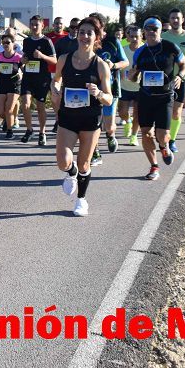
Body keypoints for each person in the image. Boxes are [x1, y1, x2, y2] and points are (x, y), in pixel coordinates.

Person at [51, 16, 113, 216]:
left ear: (96, 38)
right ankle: (71, 172)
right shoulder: (64, 59)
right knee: (63, 161)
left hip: (90, 119)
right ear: (77, 34)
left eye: (89, 33)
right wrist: (55, 88)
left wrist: (99, 94)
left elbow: (109, 99)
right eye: (82, 32)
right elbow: (56, 80)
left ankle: (81, 200)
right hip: (68, 117)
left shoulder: (101, 65)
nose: (85, 36)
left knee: (85, 162)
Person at [128, 17, 185, 181]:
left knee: (162, 135)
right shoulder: (140, 52)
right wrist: (132, 75)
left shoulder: (170, 47)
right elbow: (134, 77)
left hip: (165, 97)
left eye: (155, 28)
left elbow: (184, 65)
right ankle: (154, 166)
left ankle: (164, 146)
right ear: (144, 31)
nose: (151, 31)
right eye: (148, 28)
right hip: (146, 97)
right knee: (146, 133)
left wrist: (180, 76)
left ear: (160, 30)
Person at [89, 12, 127, 160]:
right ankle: (95, 152)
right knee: (94, 123)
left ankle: (111, 135)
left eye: (95, 24)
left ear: (102, 26)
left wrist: (113, 64)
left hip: (111, 89)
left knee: (109, 125)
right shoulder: (87, 41)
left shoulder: (113, 41)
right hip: (91, 89)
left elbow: (125, 62)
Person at [162, 9, 185, 152]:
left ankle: (171, 141)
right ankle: (162, 136)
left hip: (182, 78)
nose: (175, 20)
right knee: (164, 110)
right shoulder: (163, 37)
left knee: (177, 112)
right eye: (172, 18)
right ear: (169, 20)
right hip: (164, 79)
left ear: (182, 20)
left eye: (177, 18)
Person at [19, 15, 57, 146]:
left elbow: (54, 60)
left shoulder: (47, 41)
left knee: (41, 107)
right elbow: (24, 57)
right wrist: (23, 61)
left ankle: (42, 132)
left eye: (36, 24)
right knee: (25, 104)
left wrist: (42, 56)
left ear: (42, 26)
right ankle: (29, 130)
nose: (34, 27)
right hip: (28, 77)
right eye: (32, 24)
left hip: (42, 79)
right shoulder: (27, 41)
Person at [0, 38, 24, 139]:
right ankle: (8, 120)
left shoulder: (18, 57)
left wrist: (21, 74)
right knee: (0, 110)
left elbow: (25, 70)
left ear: (13, 44)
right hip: (1, 84)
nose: (5, 45)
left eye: (8, 42)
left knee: (9, 108)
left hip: (14, 84)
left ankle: (10, 130)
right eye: (3, 43)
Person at [118, 25, 142, 146]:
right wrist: (121, 72)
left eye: (136, 37)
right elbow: (119, 64)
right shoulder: (123, 49)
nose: (134, 39)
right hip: (125, 86)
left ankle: (134, 136)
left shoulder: (145, 49)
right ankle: (128, 121)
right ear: (128, 37)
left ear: (141, 36)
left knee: (137, 113)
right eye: (131, 36)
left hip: (139, 88)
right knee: (122, 112)